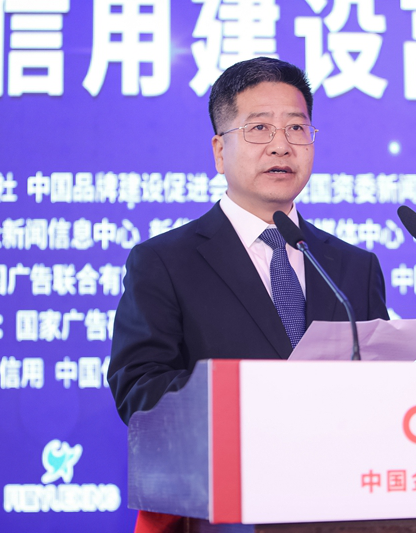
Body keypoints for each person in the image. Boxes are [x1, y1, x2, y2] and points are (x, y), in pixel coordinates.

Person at [108, 57, 389, 426]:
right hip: (222, 460)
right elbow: (139, 390)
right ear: (220, 152)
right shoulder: (164, 262)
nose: (281, 146)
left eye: (296, 127)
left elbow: (384, 385)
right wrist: (257, 397)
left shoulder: (355, 268)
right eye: (259, 128)